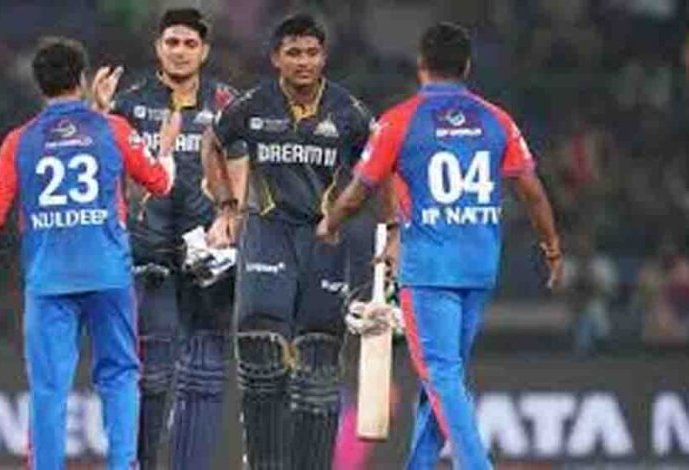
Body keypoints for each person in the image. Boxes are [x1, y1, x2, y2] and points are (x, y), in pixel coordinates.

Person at [317, 22, 564, 469]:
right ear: (466, 66)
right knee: (444, 378)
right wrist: (551, 246)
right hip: (479, 265)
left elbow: (357, 193)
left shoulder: (399, 120)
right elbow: (531, 190)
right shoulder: (497, 120)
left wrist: (329, 225)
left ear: (421, 65)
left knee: (441, 374)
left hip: (429, 268)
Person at [0, 37, 176, 469]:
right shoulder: (112, 129)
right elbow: (160, 183)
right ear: (82, 79)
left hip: (49, 281)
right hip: (109, 276)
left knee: (49, 387)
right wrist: (165, 150)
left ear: (38, 84)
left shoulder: (19, 141)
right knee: (120, 376)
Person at [203, 13, 374, 470]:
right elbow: (212, 142)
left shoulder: (349, 111)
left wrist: (392, 231)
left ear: (324, 58)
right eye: (294, 53)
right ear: (276, 58)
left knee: (319, 362)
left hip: (324, 238)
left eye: (312, 53)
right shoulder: (252, 104)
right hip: (268, 231)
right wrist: (226, 204)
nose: (303, 62)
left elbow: (382, 164)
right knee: (260, 351)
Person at [91, 8, 245, 469]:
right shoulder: (129, 103)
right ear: (158, 47)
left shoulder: (227, 102)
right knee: (152, 375)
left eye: (190, 44)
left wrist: (231, 219)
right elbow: (98, 166)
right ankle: (139, 463)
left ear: (204, 51)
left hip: (209, 255)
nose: (180, 52)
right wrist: (98, 114)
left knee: (206, 373)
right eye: (172, 42)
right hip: (149, 251)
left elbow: (243, 167)